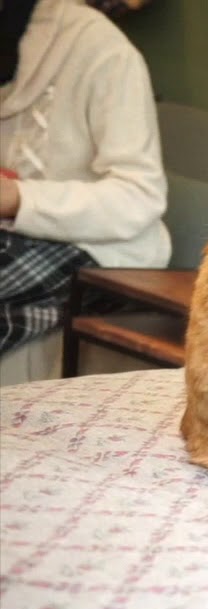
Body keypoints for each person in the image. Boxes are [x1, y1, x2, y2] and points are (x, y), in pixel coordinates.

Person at [0, 0, 169, 359]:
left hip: (101, 244)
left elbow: (140, 196)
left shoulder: (106, 53)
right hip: (16, 233)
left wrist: (18, 197)